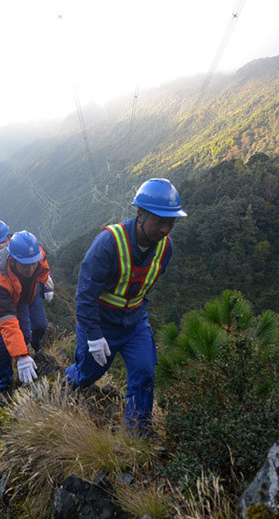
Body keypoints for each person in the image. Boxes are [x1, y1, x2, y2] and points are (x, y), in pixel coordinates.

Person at [65, 178, 187, 436]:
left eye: (171, 222)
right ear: (140, 214)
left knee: (144, 372)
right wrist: (93, 335)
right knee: (87, 374)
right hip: (101, 324)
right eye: (159, 220)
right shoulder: (109, 243)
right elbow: (85, 295)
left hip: (135, 323)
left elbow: (145, 285)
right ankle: (66, 383)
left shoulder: (166, 248)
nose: (166, 229)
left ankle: (137, 435)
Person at [0, 230, 51, 394]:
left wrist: (45, 280)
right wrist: (21, 356)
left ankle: (25, 358)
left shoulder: (36, 254)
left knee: (27, 334)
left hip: (20, 294)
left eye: (33, 263)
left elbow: (42, 265)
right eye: (25, 265)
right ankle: (4, 386)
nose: (30, 269)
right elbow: (7, 321)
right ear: (13, 260)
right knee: (2, 339)